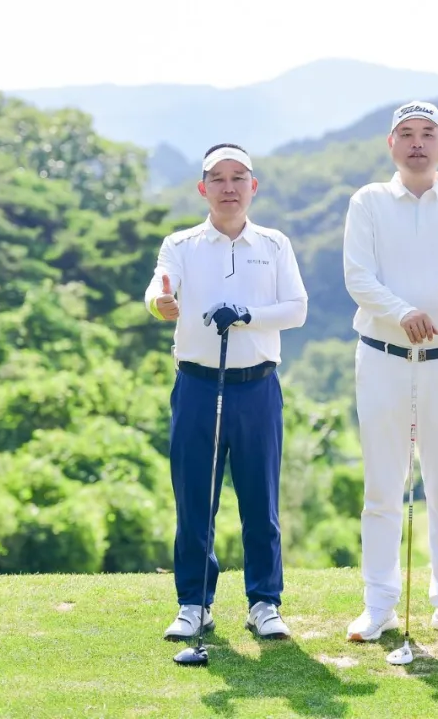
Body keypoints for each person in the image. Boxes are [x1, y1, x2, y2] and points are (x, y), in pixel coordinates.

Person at [342, 100, 438, 642]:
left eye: (428, 133)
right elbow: (358, 277)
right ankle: (379, 604)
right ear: (391, 144)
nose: (417, 143)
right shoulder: (367, 201)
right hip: (383, 356)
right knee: (383, 487)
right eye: (406, 133)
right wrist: (402, 312)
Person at [144, 143, 308, 642]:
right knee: (196, 500)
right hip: (197, 385)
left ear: (253, 186)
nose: (229, 187)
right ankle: (194, 603)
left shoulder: (274, 244)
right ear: (203, 188)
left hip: (257, 388)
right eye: (218, 178)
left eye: (239, 178)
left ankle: (264, 602)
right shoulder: (181, 244)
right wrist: (160, 303)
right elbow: (158, 288)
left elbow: (297, 309)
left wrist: (247, 315)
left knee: (261, 502)